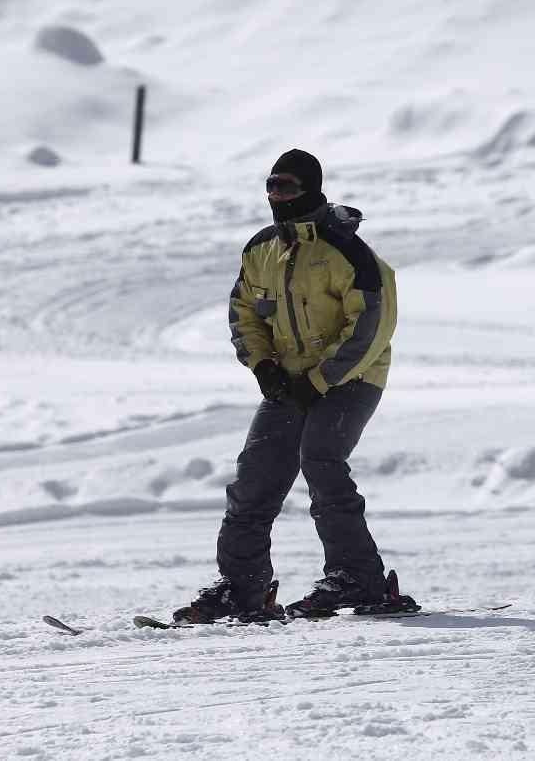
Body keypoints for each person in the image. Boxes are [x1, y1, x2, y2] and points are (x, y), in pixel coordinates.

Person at [173, 149, 412, 623]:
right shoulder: (261, 249)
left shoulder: (348, 251)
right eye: (270, 185)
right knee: (254, 477)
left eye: (285, 186)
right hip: (290, 380)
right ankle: (242, 588)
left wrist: (321, 379)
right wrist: (263, 366)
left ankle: (357, 578)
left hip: (351, 376)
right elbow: (243, 311)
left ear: (311, 189)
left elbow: (372, 324)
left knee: (320, 460)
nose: (274, 194)